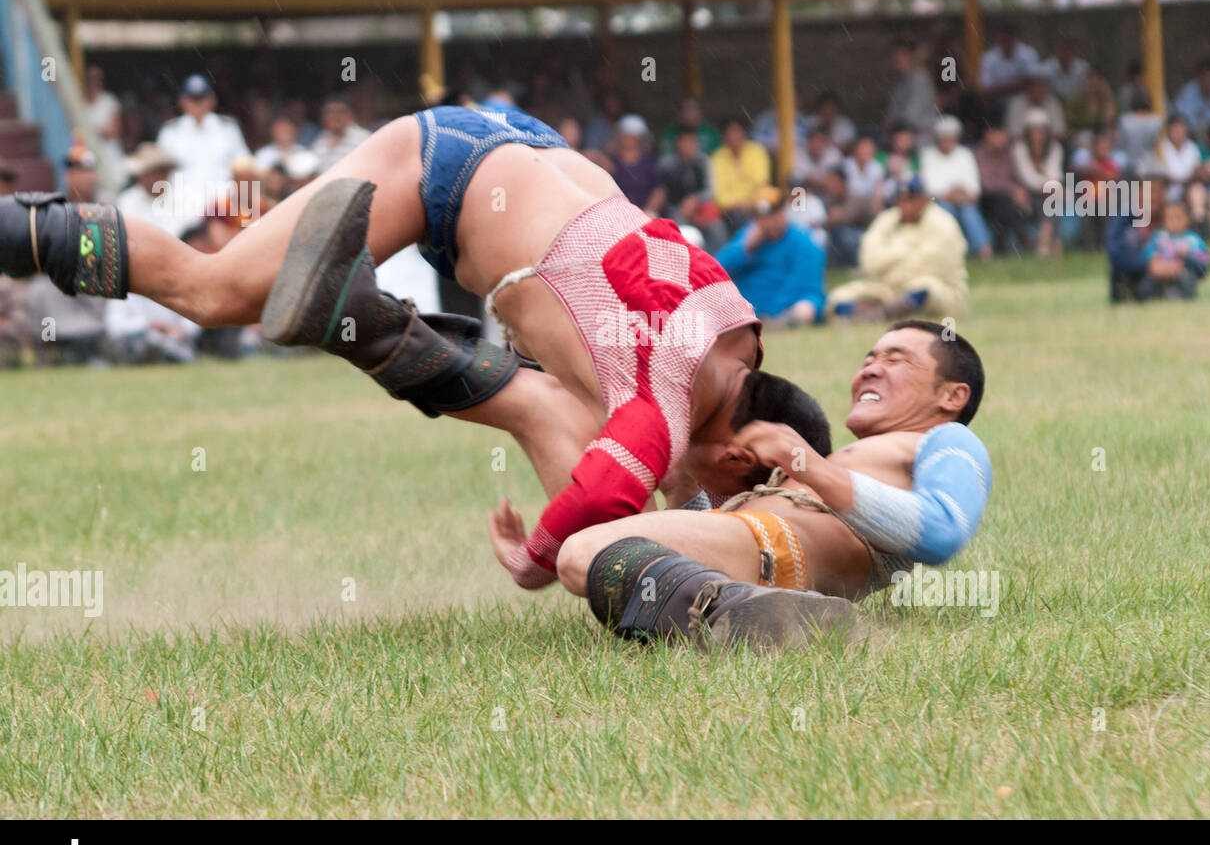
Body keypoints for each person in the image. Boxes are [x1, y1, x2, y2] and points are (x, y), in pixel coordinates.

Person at [2, 102, 830, 592]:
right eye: (725, 491)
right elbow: (600, 502)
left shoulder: (737, 320)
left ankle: (359, 317)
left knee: (563, 414)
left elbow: (653, 458)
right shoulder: (664, 398)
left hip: (537, 164)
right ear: (745, 451)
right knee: (211, 291)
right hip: (447, 169)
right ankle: (16, 228)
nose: (701, 495)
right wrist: (538, 556)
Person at [549, 321, 991, 650]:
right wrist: (683, 489)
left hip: (776, 548)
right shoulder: (847, 463)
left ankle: (744, 616)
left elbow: (942, 531)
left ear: (952, 396)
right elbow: (715, 548)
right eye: (868, 360)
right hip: (764, 556)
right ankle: (751, 613)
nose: (871, 370)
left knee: (581, 553)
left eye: (896, 359)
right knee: (606, 560)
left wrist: (806, 462)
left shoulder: (943, 440)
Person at [826, 176, 968, 322]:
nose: (905, 205)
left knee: (926, 288)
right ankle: (879, 313)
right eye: (901, 200)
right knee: (838, 298)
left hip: (937, 290)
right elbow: (869, 262)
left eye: (911, 199)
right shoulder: (886, 220)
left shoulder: (943, 223)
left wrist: (889, 261)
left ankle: (878, 313)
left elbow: (931, 266)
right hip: (885, 290)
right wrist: (905, 253)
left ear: (923, 199)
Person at [715, 188, 825, 328]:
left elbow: (801, 284)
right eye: (762, 218)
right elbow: (716, 270)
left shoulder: (803, 241)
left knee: (806, 308)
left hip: (788, 307)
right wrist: (744, 249)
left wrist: (772, 312)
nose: (769, 222)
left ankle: (780, 324)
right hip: (751, 308)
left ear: (783, 213)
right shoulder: (748, 237)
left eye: (773, 215)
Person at [156, 74, 250, 208]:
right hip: (182, 206)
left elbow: (244, 165)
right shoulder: (170, 132)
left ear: (212, 100)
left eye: (201, 98)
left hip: (220, 206)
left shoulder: (228, 128)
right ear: (182, 101)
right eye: (193, 99)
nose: (197, 104)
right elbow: (159, 171)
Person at [920, 115, 992, 259]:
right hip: (939, 201)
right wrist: (948, 193)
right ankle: (948, 253)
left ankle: (984, 251)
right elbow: (929, 187)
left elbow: (974, 186)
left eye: (950, 137)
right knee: (946, 211)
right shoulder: (927, 155)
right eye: (943, 137)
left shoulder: (965, 154)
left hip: (964, 200)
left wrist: (961, 193)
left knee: (969, 211)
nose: (947, 141)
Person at [1011, 108, 1064, 256]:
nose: (1037, 134)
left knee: (1053, 200)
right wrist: (1045, 179)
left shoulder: (1055, 148)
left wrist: (1044, 175)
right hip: (1026, 194)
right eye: (1034, 130)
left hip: (1048, 193)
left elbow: (1056, 176)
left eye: (1041, 131)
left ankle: (1045, 244)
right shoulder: (1019, 149)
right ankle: (1051, 244)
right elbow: (1028, 179)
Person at [975, 124, 1034, 255]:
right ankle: (1023, 238)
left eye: (1002, 134)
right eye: (997, 134)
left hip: (1007, 199)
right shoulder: (979, 154)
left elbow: (1017, 177)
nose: (1001, 138)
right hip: (986, 198)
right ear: (987, 135)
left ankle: (1004, 247)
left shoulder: (1009, 153)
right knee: (1006, 203)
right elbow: (987, 184)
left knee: (1009, 205)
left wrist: (1020, 191)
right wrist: (1013, 190)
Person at [1138, 203, 1210, 300]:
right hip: (1160, 271)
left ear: (1187, 219)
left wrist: (1187, 257)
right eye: (1170, 218)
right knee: (1146, 283)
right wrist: (1155, 261)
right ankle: (1149, 301)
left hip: (1182, 272)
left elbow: (1203, 262)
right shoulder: (1158, 237)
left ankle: (1187, 300)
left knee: (1186, 279)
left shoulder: (1192, 239)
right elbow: (1148, 252)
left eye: (1178, 217)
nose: (1174, 221)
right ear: (1164, 220)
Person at [710, 118, 771, 225]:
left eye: (737, 131)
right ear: (725, 136)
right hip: (730, 210)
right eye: (730, 132)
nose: (734, 136)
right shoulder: (718, 157)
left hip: (756, 205)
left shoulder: (756, 151)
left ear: (744, 133)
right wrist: (738, 204)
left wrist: (750, 203)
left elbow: (762, 182)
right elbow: (718, 193)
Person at [609, 115, 664, 213]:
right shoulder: (611, 161)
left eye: (631, 135)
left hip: (645, 214)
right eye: (625, 134)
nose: (628, 139)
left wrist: (648, 212)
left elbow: (658, 190)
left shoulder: (649, 161)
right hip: (616, 214)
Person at [884, 38, 937, 139]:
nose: (895, 59)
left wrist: (894, 127)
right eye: (894, 55)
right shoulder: (902, 80)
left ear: (910, 56)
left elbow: (911, 114)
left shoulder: (919, 78)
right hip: (901, 136)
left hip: (919, 137)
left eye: (900, 55)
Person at [312, 94, 371, 172]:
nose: (336, 117)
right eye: (330, 112)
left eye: (341, 112)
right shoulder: (320, 140)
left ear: (352, 114)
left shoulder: (365, 139)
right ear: (323, 116)